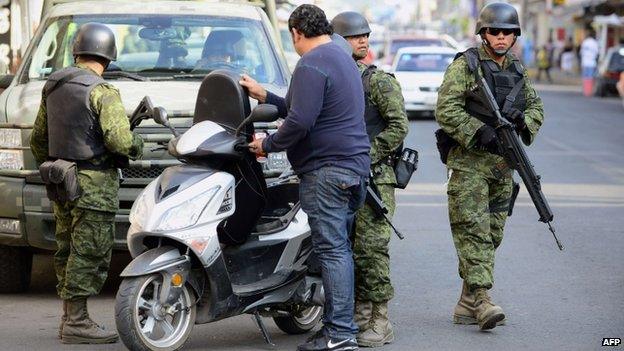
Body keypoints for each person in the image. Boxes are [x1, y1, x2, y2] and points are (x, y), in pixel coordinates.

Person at [241, 4, 370, 351]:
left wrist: (266, 145)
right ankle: (338, 325)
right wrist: (265, 96)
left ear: (296, 33)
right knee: (338, 249)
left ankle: (340, 333)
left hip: (327, 172)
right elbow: (306, 106)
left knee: (332, 252)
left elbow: (300, 122)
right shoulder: (341, 57)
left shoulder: (310, 63)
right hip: (354, 169)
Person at [29, 23, 144, 344]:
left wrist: (51, 166)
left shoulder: (54, 84)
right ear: (107, 56)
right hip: (94, 186)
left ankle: (70, 317)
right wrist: (138, 145)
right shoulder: (103, 92)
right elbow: (120, 142)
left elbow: (38, 138)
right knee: (89, 253)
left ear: (77, 51)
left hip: (61, 180)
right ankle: (77, 322)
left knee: (67, 249)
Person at [435, 2, 544, 331]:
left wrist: (523, 119)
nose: (500, 37)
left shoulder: (517, 69)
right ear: (483, 33)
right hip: (469, 166)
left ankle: (466, 301)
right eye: (494, 31)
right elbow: (446, 108)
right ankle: (482, 300)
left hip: (502, 168)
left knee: (492, 235)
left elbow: (537, 106)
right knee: (474, 234)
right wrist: (478, 132)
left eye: (507, 32)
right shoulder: (466, 65)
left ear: (514, 36)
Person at [331, 11, 408, 348]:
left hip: (375, 179)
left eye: (364, 35)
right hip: (339, 179)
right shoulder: (330, 78)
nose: (362, 41)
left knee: (371, 249)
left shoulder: (378, 81)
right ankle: (358, 313)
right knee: (343, 248)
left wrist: (365, 155)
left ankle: (379, 319)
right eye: (353, 36)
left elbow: (398, 127)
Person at [580, 28, 599, 96]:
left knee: (585, 77)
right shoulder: (595, 42)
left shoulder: (585, 42)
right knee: (591, 77)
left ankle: (585, 91)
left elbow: (581, 52)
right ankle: (590, 91)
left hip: (585, 62)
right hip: (592, 62)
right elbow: (597, 53)